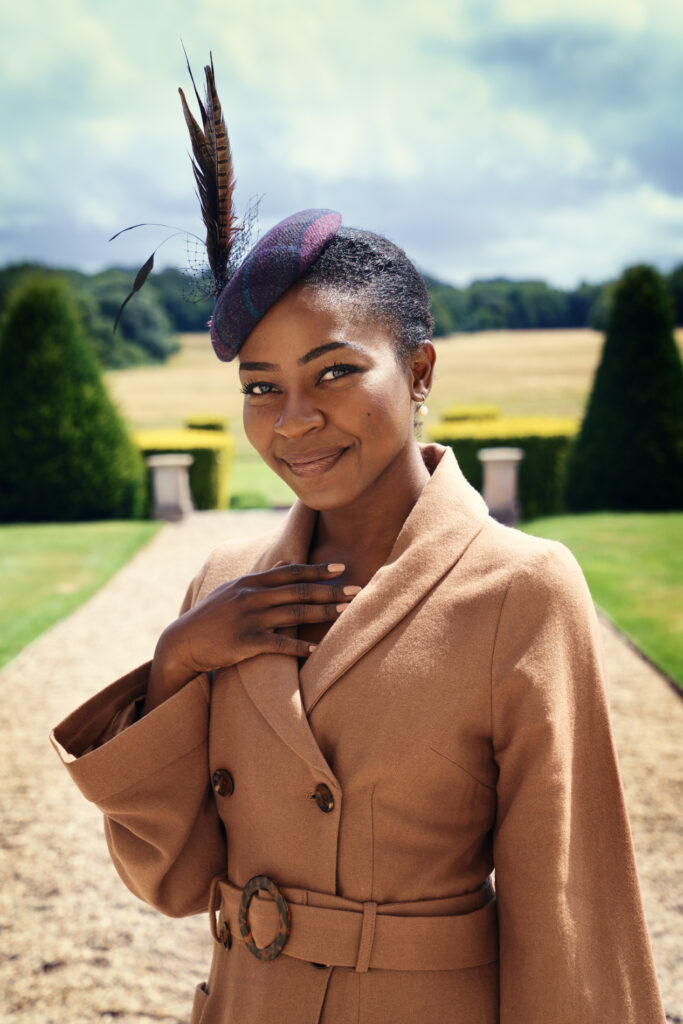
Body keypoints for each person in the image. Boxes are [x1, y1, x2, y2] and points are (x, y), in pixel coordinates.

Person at [51, 62, 666, 1024]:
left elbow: (568, 907)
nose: (292, 421)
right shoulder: (222, 586)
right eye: (260, 387)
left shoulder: (522, 588)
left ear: (418, 371)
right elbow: (169, 884)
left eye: (334, 372)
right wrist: (174, 668)